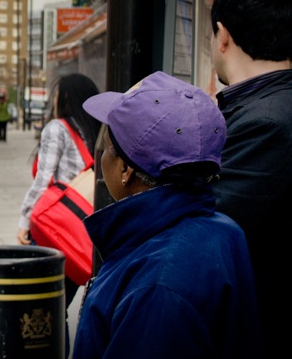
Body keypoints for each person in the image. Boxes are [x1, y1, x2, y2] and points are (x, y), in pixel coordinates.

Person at [74, 71, 262, 358]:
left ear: (126, 169)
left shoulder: (157, 287)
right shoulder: (224, 229)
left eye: (108, 147)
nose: (101, 157)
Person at [208, 0, 292, 358]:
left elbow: (204, 222)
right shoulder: (270, 108)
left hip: (243, 337)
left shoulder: (268, 123)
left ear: (223, 36)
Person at [16, 73, 100, 303]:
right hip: (80, 233)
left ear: (64, 99)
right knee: (59, 304)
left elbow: (42, 180)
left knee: (42, 306)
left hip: (55, 229)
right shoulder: (94, 131)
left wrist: (24, 221)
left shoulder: (57, 128)